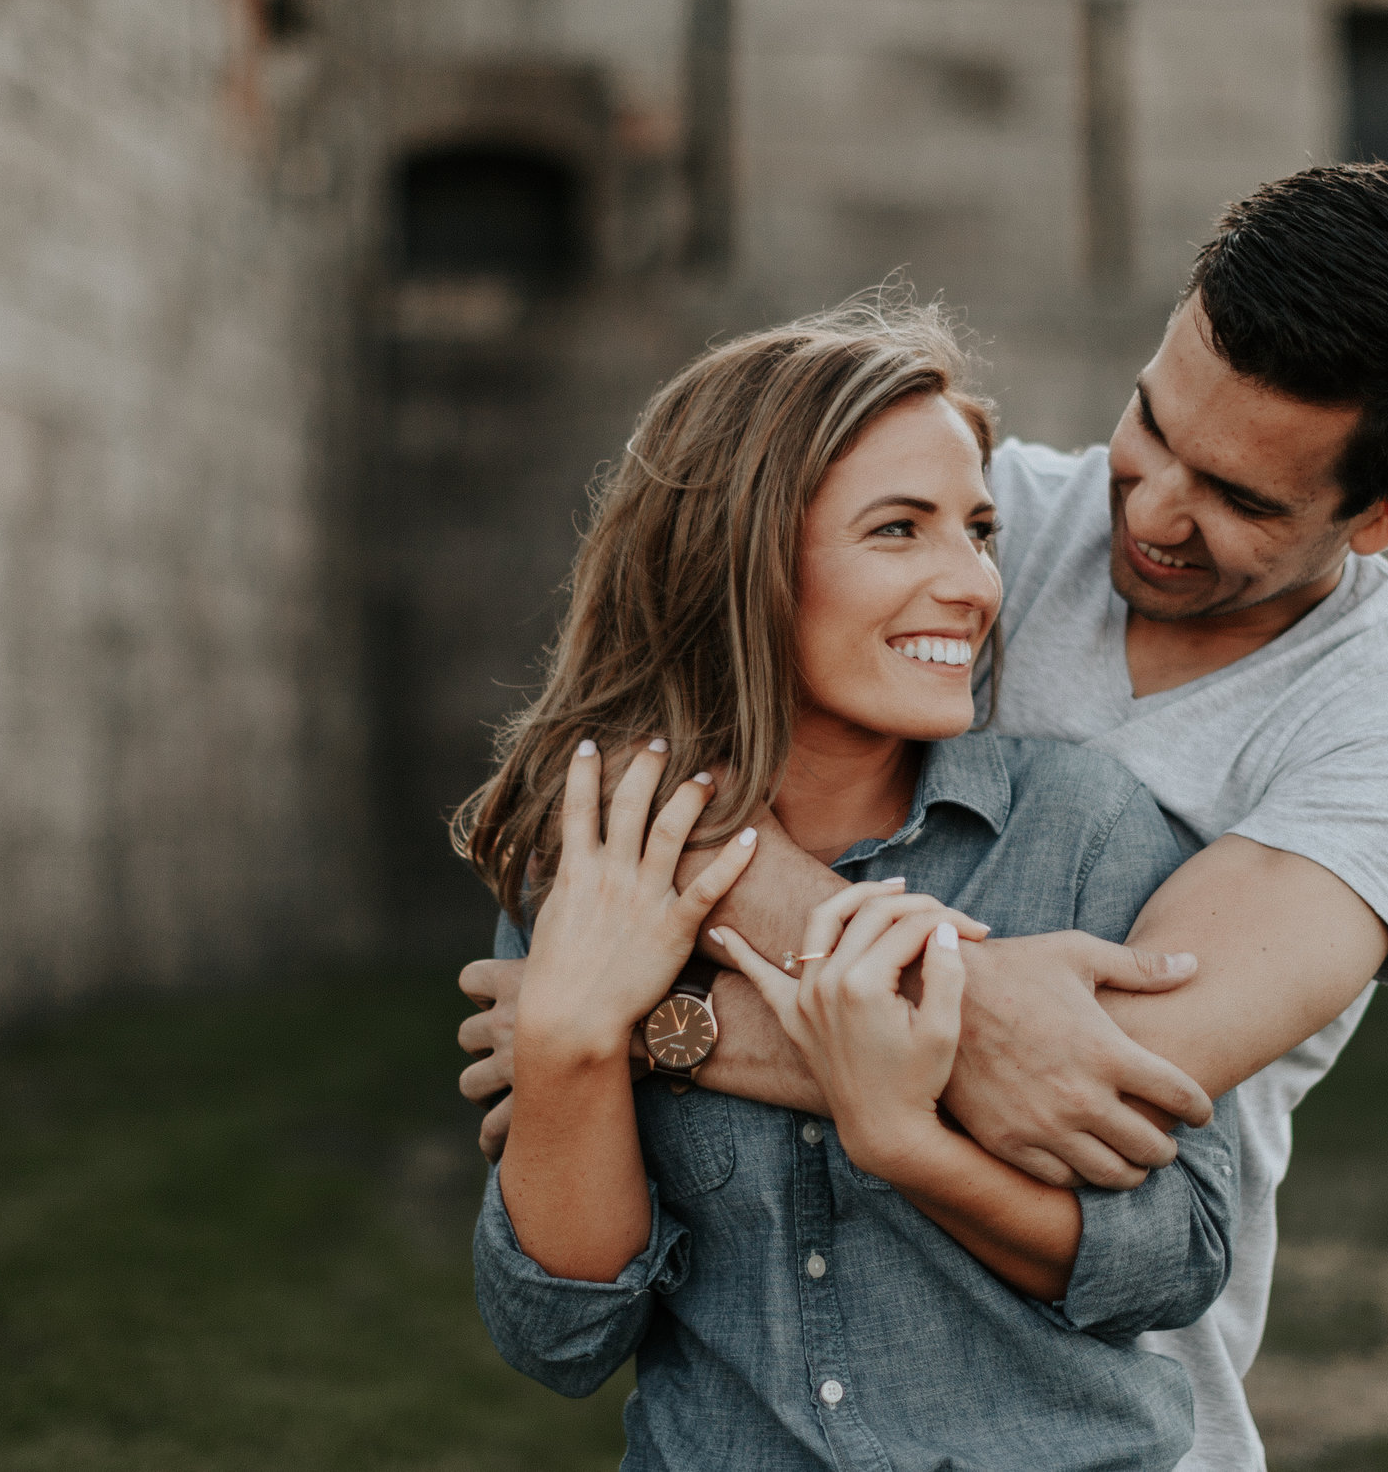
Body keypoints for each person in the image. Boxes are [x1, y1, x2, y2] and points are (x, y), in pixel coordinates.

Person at [462, 163, 1388, 1469]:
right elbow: (634, 708)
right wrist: (924, 992)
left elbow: (1094, 1078)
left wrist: (646, 1027)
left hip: (1103, 1405)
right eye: (1151, 425)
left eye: (1241, 499)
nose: (1145, 513)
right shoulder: (988, 511)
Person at [459, 302, 1241, 1470]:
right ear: (741, 554)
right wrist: (571, 1037)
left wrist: (899, 1134)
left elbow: (1169, 1256)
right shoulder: (599, 847)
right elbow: (561, 1333)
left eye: (977, 530)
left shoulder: (1083, 828)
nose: (972, 583)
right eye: (898, 530)